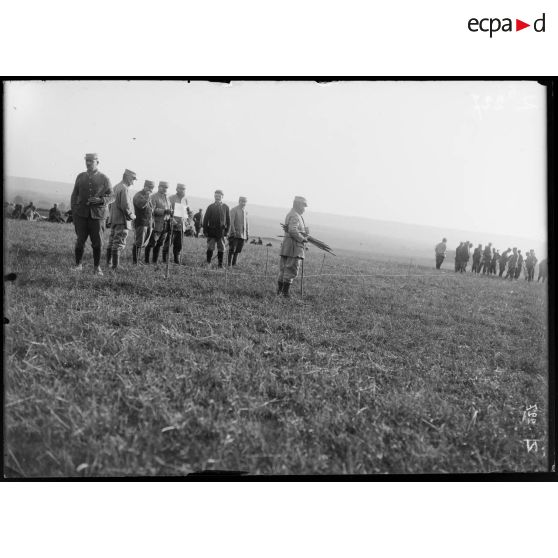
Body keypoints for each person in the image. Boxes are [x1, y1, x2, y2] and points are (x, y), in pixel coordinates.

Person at [70, 153, 112, 274]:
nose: (88, 163)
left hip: (98, 216)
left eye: (91, 161)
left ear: (97, 162)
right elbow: (74, 195)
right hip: (81, 215)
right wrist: (74, 211)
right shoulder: (80, 176)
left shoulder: (104, 178)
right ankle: (78, 265)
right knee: (80, 241)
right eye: (87, 161)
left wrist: (101, 200)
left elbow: (112, 196)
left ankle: (97, 267)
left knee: (97, 243)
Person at [277, 196, 309, 297]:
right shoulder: (295, 215)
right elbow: (292, 230)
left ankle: (280, 292)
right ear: (298, 204)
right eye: (303, 206)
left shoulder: (292, 214)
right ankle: (284, 293)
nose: (304, 208)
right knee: (291, 270)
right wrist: (302, 239)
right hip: (294, 248)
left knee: (284, 270)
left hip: (288, 247)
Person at [106, 169, 137, 270]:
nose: (133, 181)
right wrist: (132, 216)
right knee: (119, 242)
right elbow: (125, 206)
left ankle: (109, 263)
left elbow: (109, 204)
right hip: (122, 220)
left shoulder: (115, 187)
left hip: (114, 219)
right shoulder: (124, 189)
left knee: (112, 241)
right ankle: (115, 265)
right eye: (132, 179)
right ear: (127, 177)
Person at [145, 181, 172, 266]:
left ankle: (154, 261)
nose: (165, 189)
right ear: (159, 187)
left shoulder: (167, 198)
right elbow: (152, 210)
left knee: (160, 244)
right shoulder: (153, 197)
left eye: (166, 188)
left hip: (165, 225)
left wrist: (170, 213)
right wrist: (165, 211)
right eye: (163, 187)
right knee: (151, 243)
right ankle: (146, 261)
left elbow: (169, 209)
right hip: (156, 225)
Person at [202, 189, 230, 268]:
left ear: (222, 197)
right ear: (214, 196)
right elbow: (205, 219)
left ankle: (220, 265)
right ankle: (208, 263)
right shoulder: (210, 207)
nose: (217, 197)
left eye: (219, 196)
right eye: (216, 196)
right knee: (210, 247)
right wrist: (205, 230)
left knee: (221, 248)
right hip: (211, 231)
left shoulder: (226, 207)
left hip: (221, 232)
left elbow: (228, 220)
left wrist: (227, 231)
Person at [163, 183, 190, 264]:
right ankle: (165, 260)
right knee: (168, 243)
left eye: (183, 189)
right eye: (180, 188)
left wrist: (187, 222)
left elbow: (188, 212)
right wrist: (173, 221)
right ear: (177, 189)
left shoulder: (185, 199)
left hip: (181, 226)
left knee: (179, 245)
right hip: (172, 226)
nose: (182, 190)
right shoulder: (171, 198)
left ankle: (176, 260)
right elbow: (167, 211)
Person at [132, 180, 155, 265]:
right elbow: (141, 205)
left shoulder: (147, 196)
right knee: (138, 242)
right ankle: (135, 262)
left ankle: (138, 260)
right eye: (149, 187)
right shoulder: (139, 195)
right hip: (141, 222)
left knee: (143, 243)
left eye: (152, 188)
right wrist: (147, 197)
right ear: (145, 186)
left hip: (147, 223)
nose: (150, 189)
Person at [228, 196, 249, 266]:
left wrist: (247, 234)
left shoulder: (245, 211)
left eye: (245, 202)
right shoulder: (234, 210)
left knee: (238, 250)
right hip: (234, 234)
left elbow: (246, 223)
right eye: (242, 201)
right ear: (239, 201)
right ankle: (229, 264)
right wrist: (233, 232)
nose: (243, 203)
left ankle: (234, 264)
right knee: (232, 250)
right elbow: (231, 222)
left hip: (242, 235)